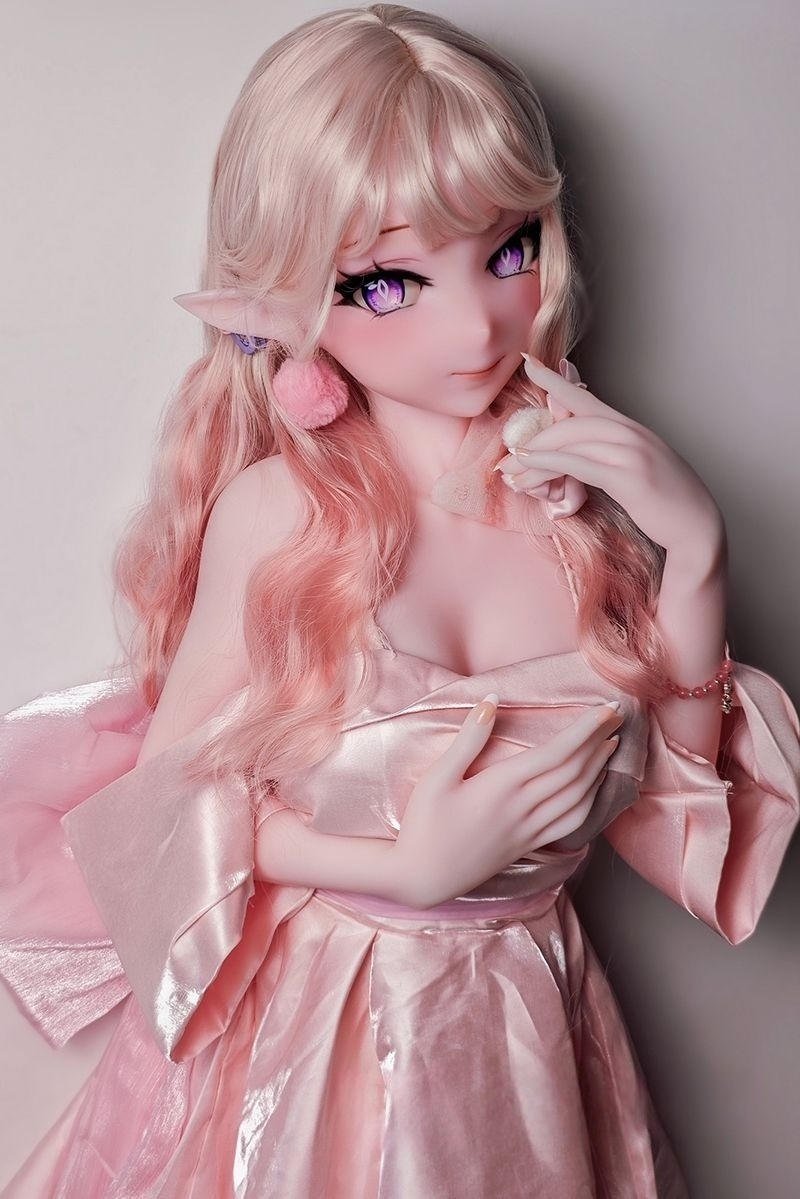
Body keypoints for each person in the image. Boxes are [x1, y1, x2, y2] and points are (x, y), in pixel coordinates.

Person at [0, 5, 798, 1196]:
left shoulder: (576, 512)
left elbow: (679, 810)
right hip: (316, 1040)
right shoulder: (281, 515)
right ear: (280, 306)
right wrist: (392, 865)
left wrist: (693, 553)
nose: (474, 322)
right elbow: (160, 810)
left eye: (509, 249)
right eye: (386, 283)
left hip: (529, 1031)